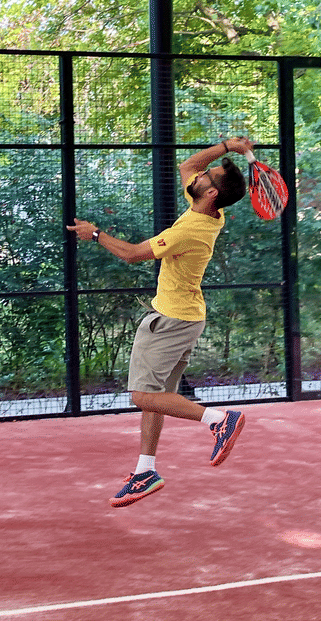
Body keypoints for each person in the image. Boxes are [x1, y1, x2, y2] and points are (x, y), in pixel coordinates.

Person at [67, 136, 253, 507]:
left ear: (211, 193)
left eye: (208, 175)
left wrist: (96, 234)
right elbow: (188, 166)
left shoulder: (190, 230)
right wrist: (226, 147)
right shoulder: (208, 209)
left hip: (170, 321)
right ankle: (145, 471)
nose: (200, 173)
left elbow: (133, 254)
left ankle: (219, 420)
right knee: (156, 398)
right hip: (187, 318)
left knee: (142, 395)